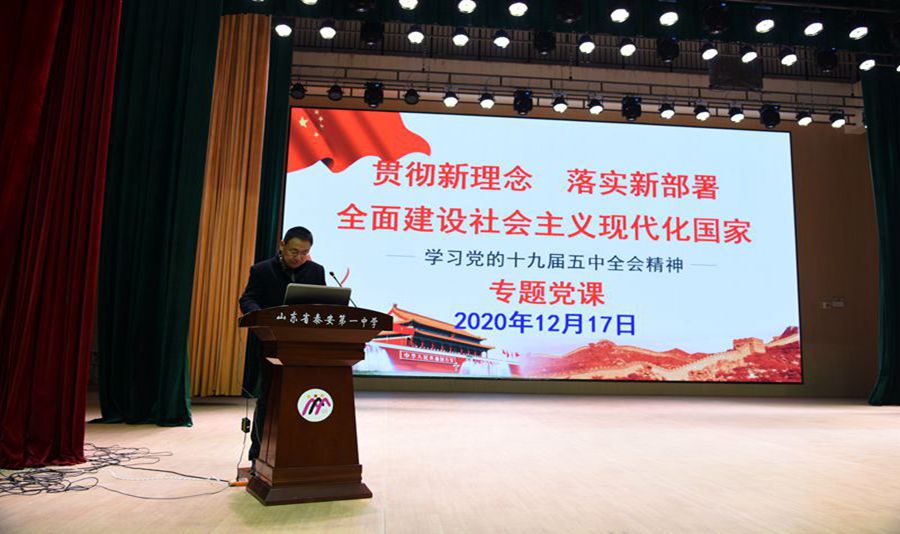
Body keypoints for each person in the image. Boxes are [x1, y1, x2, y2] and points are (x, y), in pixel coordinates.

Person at [239, 226, 326, 470]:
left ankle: (301, 452)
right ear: (282, 245)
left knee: (305, 398)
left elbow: (324, 303)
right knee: (268, 398)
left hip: (305, 346)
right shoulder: (262, 270)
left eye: (304, 253)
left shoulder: (316, 271)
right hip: (272, 344)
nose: (298, 257)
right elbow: (247, 299)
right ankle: (258, 455)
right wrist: (259, 315)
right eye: (293, 251)